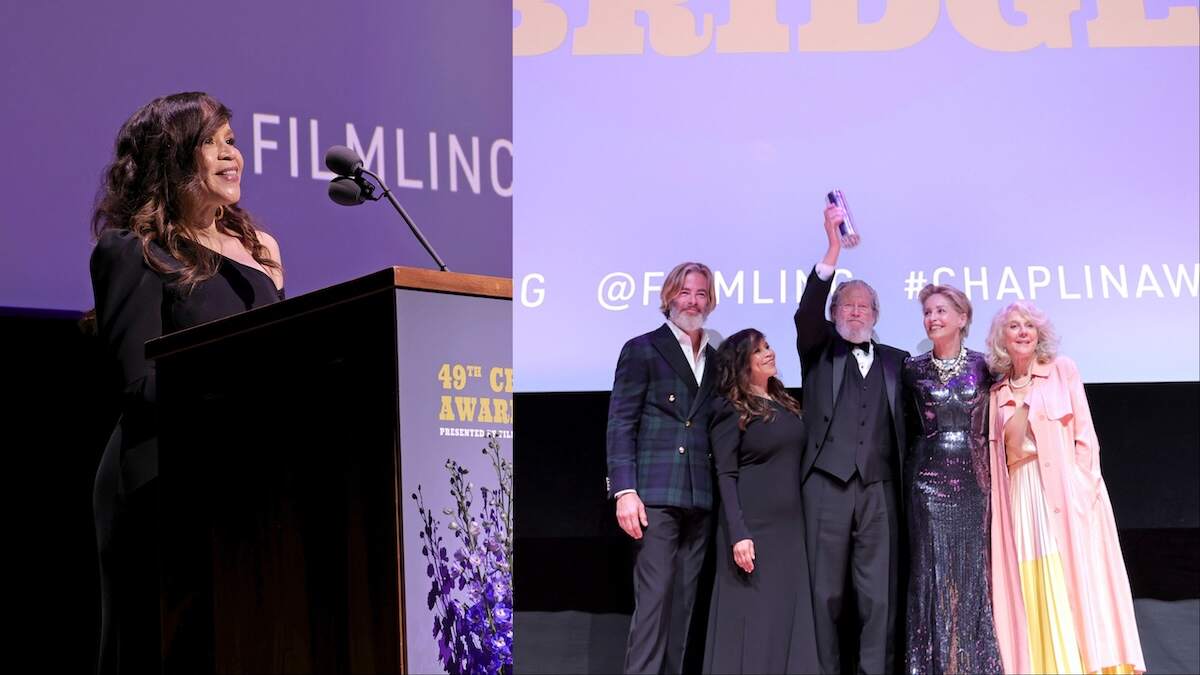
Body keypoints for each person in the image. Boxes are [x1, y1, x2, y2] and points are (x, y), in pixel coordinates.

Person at [90, 92, 284, 674]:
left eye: (234, 140)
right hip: (162, 476)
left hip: (248, 472)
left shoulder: (261, 251)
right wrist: (234, 386)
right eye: (215, 141)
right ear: (174, 157)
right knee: (168, 648)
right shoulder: (133, 251)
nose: (234, 155)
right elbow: (137, 385)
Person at [985, 301, 1145, 674]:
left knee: (1071, 577)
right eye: (1013, 326)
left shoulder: (1061, 370)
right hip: (1020, 496)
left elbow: (1085, 437)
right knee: (1030, 581)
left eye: (1029, 324)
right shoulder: (996, 392)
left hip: (1064, 493)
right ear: (1002, 339)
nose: (1023, 331)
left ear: (1039, 333)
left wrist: (1083, 487)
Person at [794, 203, 909, 674]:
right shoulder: (818, 352)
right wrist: (833, 250)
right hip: (826, 484)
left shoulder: (899, 362)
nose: (855, 312)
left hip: (879, 489)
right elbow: (805, 313)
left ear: (876, 314)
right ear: (834, 312)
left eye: (862, 306)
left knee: (878, 596)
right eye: (846, 305)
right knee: (824, 593)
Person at [606, 261, 720, 674]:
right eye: (686, 292)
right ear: (669, 296)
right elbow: (621, 422)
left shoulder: (716, 356)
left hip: (699, 497)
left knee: (683, 609)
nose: (693, 301)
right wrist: (624, 489)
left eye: (701, 294)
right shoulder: (642, 348)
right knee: (654, 606)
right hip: (654, 494)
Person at [702, 329, 819, 674]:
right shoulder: (730, 408)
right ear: (742, 363)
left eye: (768, 346)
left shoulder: (784, 402)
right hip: (753, 528)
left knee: (785, 614)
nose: (768, 353)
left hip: (789, 529)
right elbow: (725, 474)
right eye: (758, 351)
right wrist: (738, 533)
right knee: (752, 616)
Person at [900, 284, 1002, 674]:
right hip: (926, 484)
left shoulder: (986, 366)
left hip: (976, 483)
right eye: (927, 312)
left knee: (972, 576)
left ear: (962, 318)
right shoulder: (912, 369)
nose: (933, 318)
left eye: (941, 311)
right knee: (933, 578)